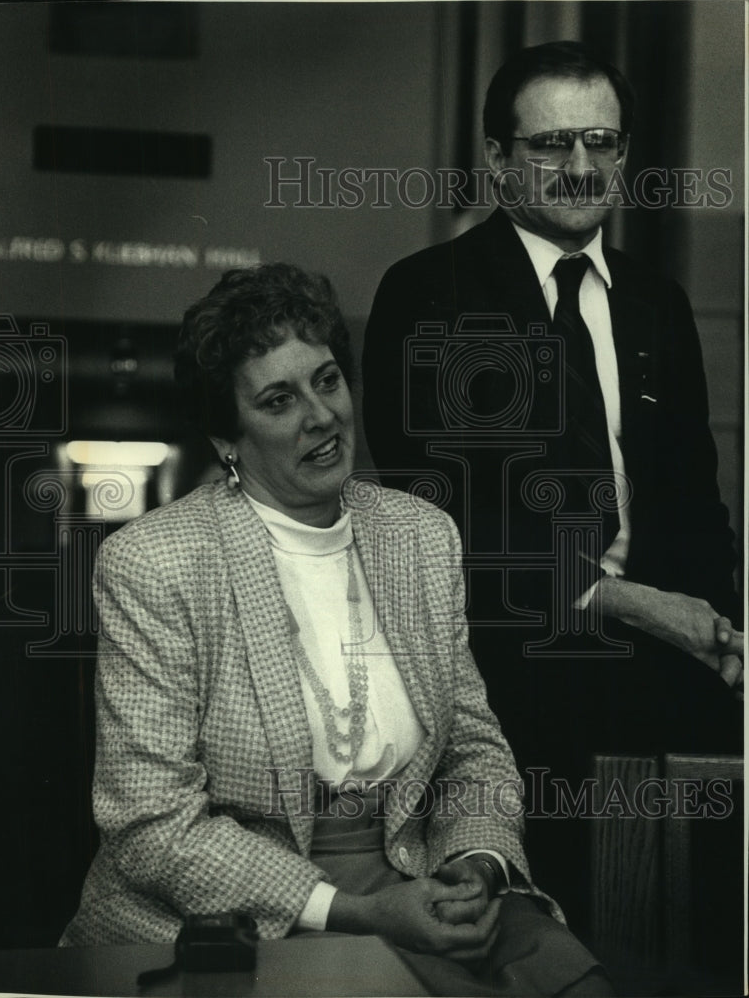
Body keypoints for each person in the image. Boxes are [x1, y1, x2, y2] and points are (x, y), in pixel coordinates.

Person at [60, 263, 610, 996]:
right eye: (278, 400)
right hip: (238, 922)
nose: (320, 416)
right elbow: (151, 824)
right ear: (228, 436)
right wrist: (358, 911)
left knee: (578, 983)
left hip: (416, 879)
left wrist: (477, 865)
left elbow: (473, 751)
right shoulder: (155, 562)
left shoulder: (419, 536)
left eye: (326, 381)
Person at [362, 41, 743, 930]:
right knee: (543, 941)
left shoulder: (659, 301)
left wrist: (719, 636)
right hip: (507, 685)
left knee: (684, 941)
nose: (581, 168)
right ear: (496, 158)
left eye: (601, 141)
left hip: (666, 683)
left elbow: (695, 501)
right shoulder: (429, 295)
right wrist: (629, 603)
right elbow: (441, 515)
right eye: (550, 145)